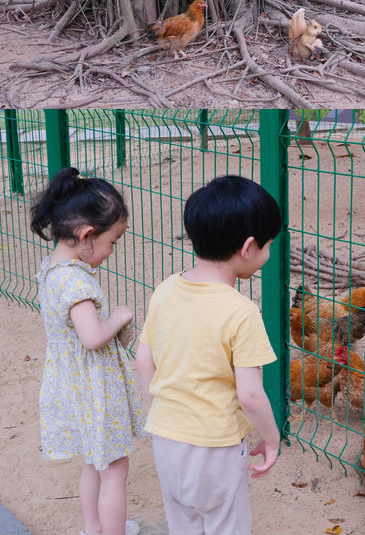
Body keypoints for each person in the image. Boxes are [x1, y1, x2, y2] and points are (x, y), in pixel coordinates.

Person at [135, 174, 282, 535]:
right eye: (268, 245)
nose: (268, 252)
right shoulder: (241, 312)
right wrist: (271, 437)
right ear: (248, 248)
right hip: (214, 448)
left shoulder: (166, 289)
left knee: (184, 523)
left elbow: (143, 359)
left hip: (167, 442)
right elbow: (249, 393)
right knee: (225, 525)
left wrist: (160, 415)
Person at [31, 167, 145, 535]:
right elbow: (93, 337)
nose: (112, 251)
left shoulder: (52, 270)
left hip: (72, 383)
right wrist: (119, 317)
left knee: (94, 463)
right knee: (115, 469)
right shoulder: (76, 282)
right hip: (94, 387)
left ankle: (94, 527)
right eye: (113, 241)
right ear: (86, 235)